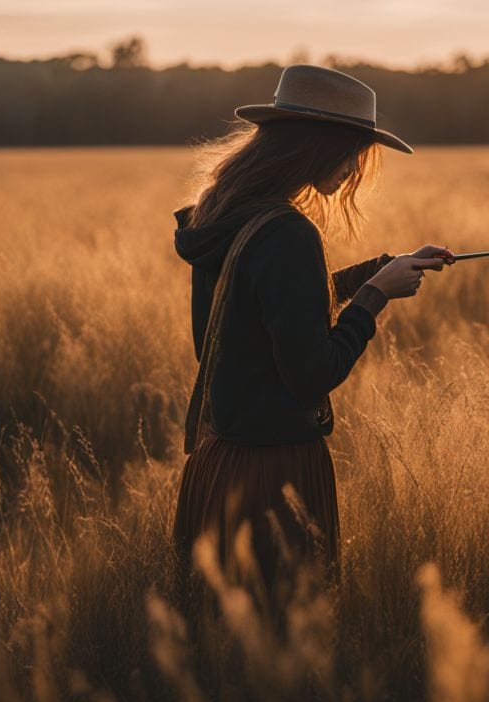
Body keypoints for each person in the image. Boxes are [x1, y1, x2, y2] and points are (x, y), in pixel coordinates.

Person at [171, 64, 454, 599]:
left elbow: (271, 305)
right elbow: (313, 374)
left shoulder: (224, 215)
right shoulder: (287, 232)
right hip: (274, 473)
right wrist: (374, 297)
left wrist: (381, 268)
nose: (352, 169)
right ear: (314, 145)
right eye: (350, 152)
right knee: (283, 634)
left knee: (218, 635)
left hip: (219, 462)